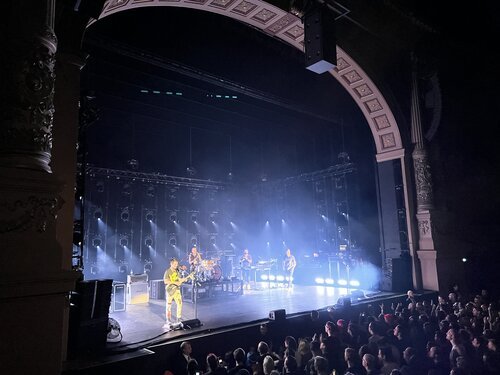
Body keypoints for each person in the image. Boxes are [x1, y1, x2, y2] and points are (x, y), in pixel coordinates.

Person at [164, 257, 193, 325]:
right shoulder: (168, 271)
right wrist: (174, 282)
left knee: (180, 303)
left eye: (177, 264)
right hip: (170, 290)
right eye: (175, 264)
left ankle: (178, 317)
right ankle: (168, 319)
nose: (176, 265)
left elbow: (179, 280)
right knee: (168, 305)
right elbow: (165, 281)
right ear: (171, 264)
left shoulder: (177, 271)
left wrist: (185, 279)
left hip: (177, 290)